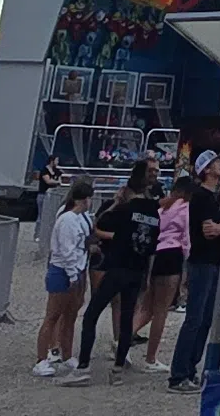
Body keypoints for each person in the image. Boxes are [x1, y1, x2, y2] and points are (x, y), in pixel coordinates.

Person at [69, 160, 159, 384]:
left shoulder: (124, 209)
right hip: (138, 269)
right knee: (127, 318)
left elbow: (99, 225)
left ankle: (83, 367)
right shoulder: (154, 212)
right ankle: (118, 369)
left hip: (118, 266)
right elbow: (152, 245)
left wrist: (116, 204)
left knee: (91, 315)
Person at [164, 150, 220, 391]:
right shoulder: (202, 198)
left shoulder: (213, 198)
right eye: (215, 163)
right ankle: (179, 373)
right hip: (202, 261)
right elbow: (209, 231)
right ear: (206, 170)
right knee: (195, 318)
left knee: (204, 319)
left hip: (211, 261)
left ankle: (190, 369)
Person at [33, 175, 94, 377]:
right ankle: (41, 358)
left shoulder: (79, 219)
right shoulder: (67, 219)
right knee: (53, 316)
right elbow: (67, 251)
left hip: (76, 269)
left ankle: (67, 354)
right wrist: (73, 276)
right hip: (63, 271)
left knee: (70, 316)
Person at [140, 162, 192, 365]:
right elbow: (186, 237)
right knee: (161, 309)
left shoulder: (163, 208)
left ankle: (122, 341)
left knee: (147, 306)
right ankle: (151, 358)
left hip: (158, 252)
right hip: (174, 254)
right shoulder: (186, 209)